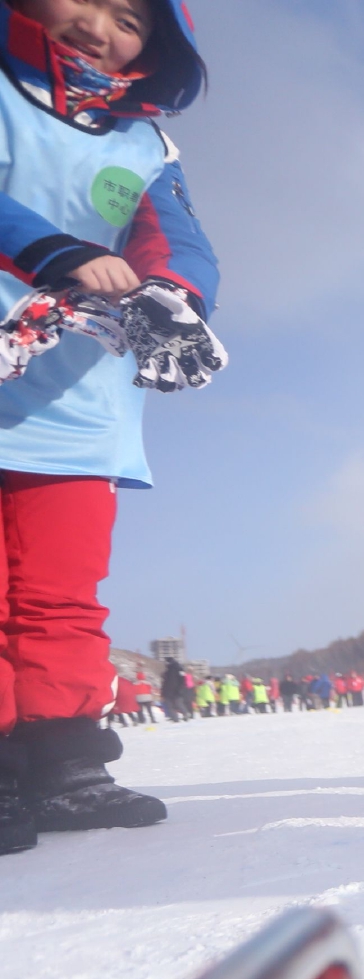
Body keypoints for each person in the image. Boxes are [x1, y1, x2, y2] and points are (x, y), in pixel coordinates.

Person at [0, 0, 223, 851]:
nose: (100, 24)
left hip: (77, 400)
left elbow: (177, 239)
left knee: (61, 593)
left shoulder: (146, 146)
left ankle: (64, 762)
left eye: (131, 18)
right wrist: (51, 250)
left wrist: (178, 296)